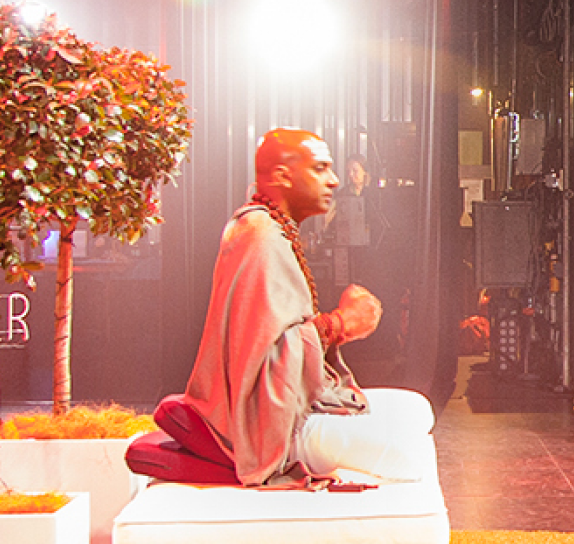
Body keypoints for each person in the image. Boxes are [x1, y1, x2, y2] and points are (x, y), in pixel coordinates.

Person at [180, 128, 434, 488]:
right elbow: (260, 365)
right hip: (266, 428)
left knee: (417, 410)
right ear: (283, 176)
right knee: (407, 455)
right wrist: (341, 324)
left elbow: (275, 340)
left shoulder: (271, 230)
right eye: (320, 168)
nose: (333, 181)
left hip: (290, 410)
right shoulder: (261, 236)